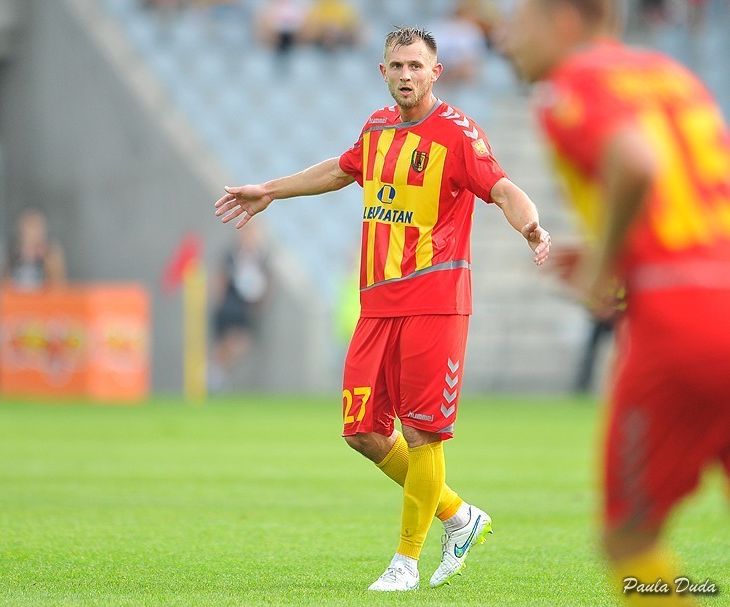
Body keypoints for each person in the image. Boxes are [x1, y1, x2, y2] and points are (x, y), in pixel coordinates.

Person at [215, 26, 551, 592]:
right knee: (362, 432)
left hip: (435, 303)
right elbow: (339, 170)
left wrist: (531, 226)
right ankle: (459, 516)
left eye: (416, 66)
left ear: (435, 72)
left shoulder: (457, 133)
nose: (406, 75)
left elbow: (501, 189)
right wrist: (270, 189)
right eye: (397, 65)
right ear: (382, 72)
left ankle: (406, 562)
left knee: (422, 434)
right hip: (377, 305)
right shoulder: (376, 128)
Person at [504, 1, 730, 604]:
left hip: (684, 325)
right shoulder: (673, 77)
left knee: (629, 536)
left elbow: (635, 162)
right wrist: (624, 255)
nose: (506, 37)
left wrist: (602, 267)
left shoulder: (573, 82)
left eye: (520, 22)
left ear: (564, 22)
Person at [210, 225, 272, 392]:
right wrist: (218, 301)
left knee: (241, 342)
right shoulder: (232, 255)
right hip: (230, 303)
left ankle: (217, 372)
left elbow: (266, 282)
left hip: (246, 306)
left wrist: (262, 303)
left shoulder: (261, 257)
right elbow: (222, 278)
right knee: (224, 342)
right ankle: (216, 375)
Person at [1, 207, 67, 291]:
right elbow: (3, 284)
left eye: (37, 228)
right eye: (30, 227)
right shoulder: (12, 252)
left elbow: (59, 284)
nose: (34, 233)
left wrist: (47, 259)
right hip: (17, 297)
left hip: (43, 297)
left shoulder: (50, 252)